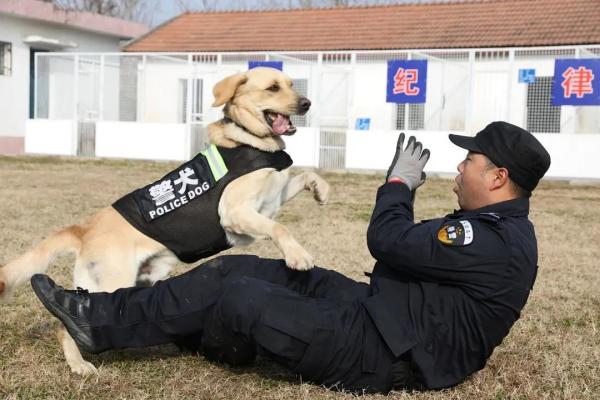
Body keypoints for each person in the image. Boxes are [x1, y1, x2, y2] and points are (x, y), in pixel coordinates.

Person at [30, 121, 550, 393]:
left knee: (241, 297)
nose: (459, 168)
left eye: (470, 160)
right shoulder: (490, 228)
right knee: (240, 268)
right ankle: (97, 320)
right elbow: (408, 258)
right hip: (381, 314)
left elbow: (389, 240)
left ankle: (208, 337)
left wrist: (398, 185)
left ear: (498, 177)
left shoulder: (491, 239)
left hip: (389, 357)